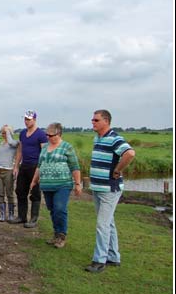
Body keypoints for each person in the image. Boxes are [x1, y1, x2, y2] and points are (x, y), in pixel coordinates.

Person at [85, 109, 135, 273]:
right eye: (93, 119)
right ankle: (113, 256)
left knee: (102, 224)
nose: (93, 122)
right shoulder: (97, 138)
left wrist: (117, 170)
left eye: (96, 120)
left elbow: (129, 153)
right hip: (98, 187)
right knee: (109, 223)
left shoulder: (114, 138)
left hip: (109, 188)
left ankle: (99, 261)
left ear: (106, 121)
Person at [29, 123, 82, 248]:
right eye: (47, 135)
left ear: (59, 134)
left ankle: (62, 235)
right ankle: (56, 234)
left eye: (51, 135)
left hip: (62, 184)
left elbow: (75, 167)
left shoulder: (67, 147)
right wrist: (34, 181)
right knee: (52, 209)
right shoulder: (45, 147)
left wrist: (78, 183)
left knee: (60, 208)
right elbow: (39, 165)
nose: (48, 137)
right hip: (47, 185)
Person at [9, 110, 48, 228]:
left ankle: (34, 218)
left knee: (35, 193)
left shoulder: (41, 134)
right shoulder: (22, 133)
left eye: (29, 119)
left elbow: (44, 153)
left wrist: (41, 169)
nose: (26, 121)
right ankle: (21, 216)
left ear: (34, 120)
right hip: (24, 166)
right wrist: (16, 166)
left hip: (35, 166)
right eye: (25, 119)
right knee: (20, 191)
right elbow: (20, 150)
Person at [0, 125, 19, 221]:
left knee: (9, 193)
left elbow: (11, 142)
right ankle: (2, 214)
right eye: (3, 132)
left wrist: (8, 130)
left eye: (6, 133)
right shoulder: (1, 144)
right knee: (0, 192)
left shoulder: (14, 143)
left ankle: (11, 214)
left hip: (8, 170)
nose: (4, 134)